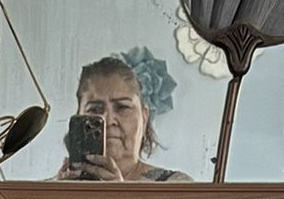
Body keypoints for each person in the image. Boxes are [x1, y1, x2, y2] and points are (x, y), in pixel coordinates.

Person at [57, 56, 192, 183]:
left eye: (122, 107)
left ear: (144, 118)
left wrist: (121, 197)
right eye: (94, 110)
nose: (109, 121)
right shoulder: (47, 190)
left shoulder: (175, 186)